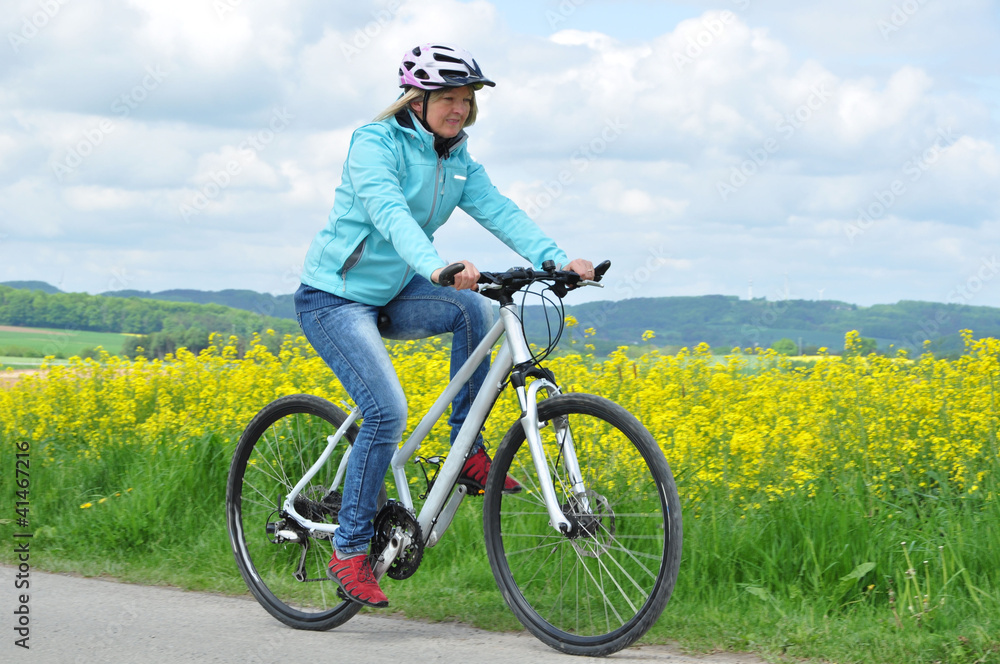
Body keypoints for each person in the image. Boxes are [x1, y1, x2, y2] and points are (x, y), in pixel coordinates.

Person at [294, 43, 594, 608]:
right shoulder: (374, 143)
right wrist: (434, 264)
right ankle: (351, 552)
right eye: (449, 98)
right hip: (333, 298)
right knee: (386, 410)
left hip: (394, 290)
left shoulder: (457, 159)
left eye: (467, 99)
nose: (459, 109)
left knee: (475, 311)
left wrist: (556, 259)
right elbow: (389, 211)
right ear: (418, 97)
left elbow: (499, 210)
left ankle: (466, 447)